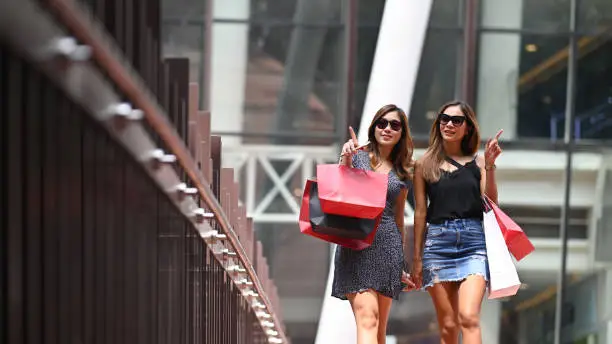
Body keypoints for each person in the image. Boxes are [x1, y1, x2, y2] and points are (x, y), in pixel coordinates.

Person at [411, 100, 503, 344]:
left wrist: (491, 165)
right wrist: (417, 259)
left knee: (469, 317)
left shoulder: (479, 163)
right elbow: (420, 213)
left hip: (474, 244)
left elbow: (491, 202)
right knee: (449, 325)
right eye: (444, 119)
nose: (449, 124)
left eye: (456, 120)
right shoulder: (423, 164)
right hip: (437, 245)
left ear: (468, 128)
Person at [332, 104, 417, 344]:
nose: (387, 128)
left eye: (395, 125)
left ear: (402, 132)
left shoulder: (401, 171)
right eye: (382, 123)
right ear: (374, 127)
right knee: (367, 318)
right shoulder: (356, 156)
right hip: (356, 246)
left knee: (378, 331)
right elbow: (336, 193)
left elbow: (398, 220)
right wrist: (344, 159)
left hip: (388, 249)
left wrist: (401, 263)